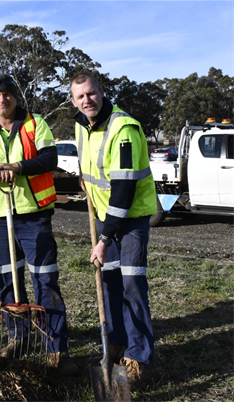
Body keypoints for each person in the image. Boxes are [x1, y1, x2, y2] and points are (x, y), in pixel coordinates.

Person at [0, 73, 78, 375]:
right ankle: (19, 337)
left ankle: (56, 346)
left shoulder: (34, 123)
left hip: (34, 216)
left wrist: (16, 167)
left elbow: (50, 158)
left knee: (45, 281)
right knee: (8, 283)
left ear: (15, 96)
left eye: (7, 94)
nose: (2, 99)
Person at [69, 72, 157, 390]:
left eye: (91, 93)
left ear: (102, 92)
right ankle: (117, 344)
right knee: (110, 284)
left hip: (130, 217)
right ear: (73, 99)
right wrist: (85, 178)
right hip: (105, 215)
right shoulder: (80, 125)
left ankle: (138, 357)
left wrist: (104, 238)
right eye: (80, 96)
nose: (87, 100)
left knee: (132, 285)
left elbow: (123, 190)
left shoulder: (124, 129)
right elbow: (91, 165)